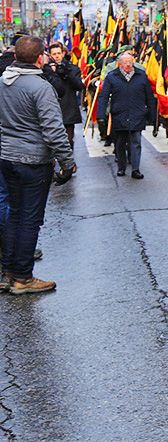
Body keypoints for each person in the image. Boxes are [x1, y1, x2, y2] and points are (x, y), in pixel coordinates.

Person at [0, 36, 75, 294]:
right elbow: (54, 130)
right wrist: (67, 163)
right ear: (40, 58)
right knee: (30, 220)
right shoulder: (40, 87)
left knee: (15, 215)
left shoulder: (3, 82)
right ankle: (22, 276)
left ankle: (6, 272)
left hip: (7, 157)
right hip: (32, 160)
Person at [96, 51, 156, 179]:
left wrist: (152, 115)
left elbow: (149, 97)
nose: (128, 65)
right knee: (120, 143)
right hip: (119, 114)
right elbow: (103, 97)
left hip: (137, 113)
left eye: (130, 62)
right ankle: (121, 167)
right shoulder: (112, 77)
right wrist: (101, 115)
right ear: (119, 64)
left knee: (136, 142)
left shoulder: (141, 76)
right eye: (125, 62)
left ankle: (135, 169)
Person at [44, 42, 83, 149]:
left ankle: (69, 164)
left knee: (68, 141)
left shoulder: (72, 68)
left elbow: (79, 86)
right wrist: (50, 72)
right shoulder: (46, 69)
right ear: (50, 55)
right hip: (51, 110)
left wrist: (66, 72)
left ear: (63, 53)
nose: (57, 56)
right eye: (54, 54)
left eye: (59, 53)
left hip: (68, 109)